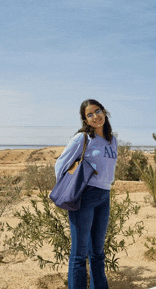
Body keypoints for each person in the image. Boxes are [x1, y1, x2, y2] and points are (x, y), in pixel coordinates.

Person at [54, 99, 118, 289]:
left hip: (104, 196)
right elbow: (60, 164)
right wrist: (69, 190)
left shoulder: (112, 140)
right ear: (85, 119)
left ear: (104, 112)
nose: (95, 116)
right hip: (85, 197)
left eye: (97, 111)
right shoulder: (82, 138)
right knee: (79, 254)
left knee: (98, 252)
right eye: (89, 114)